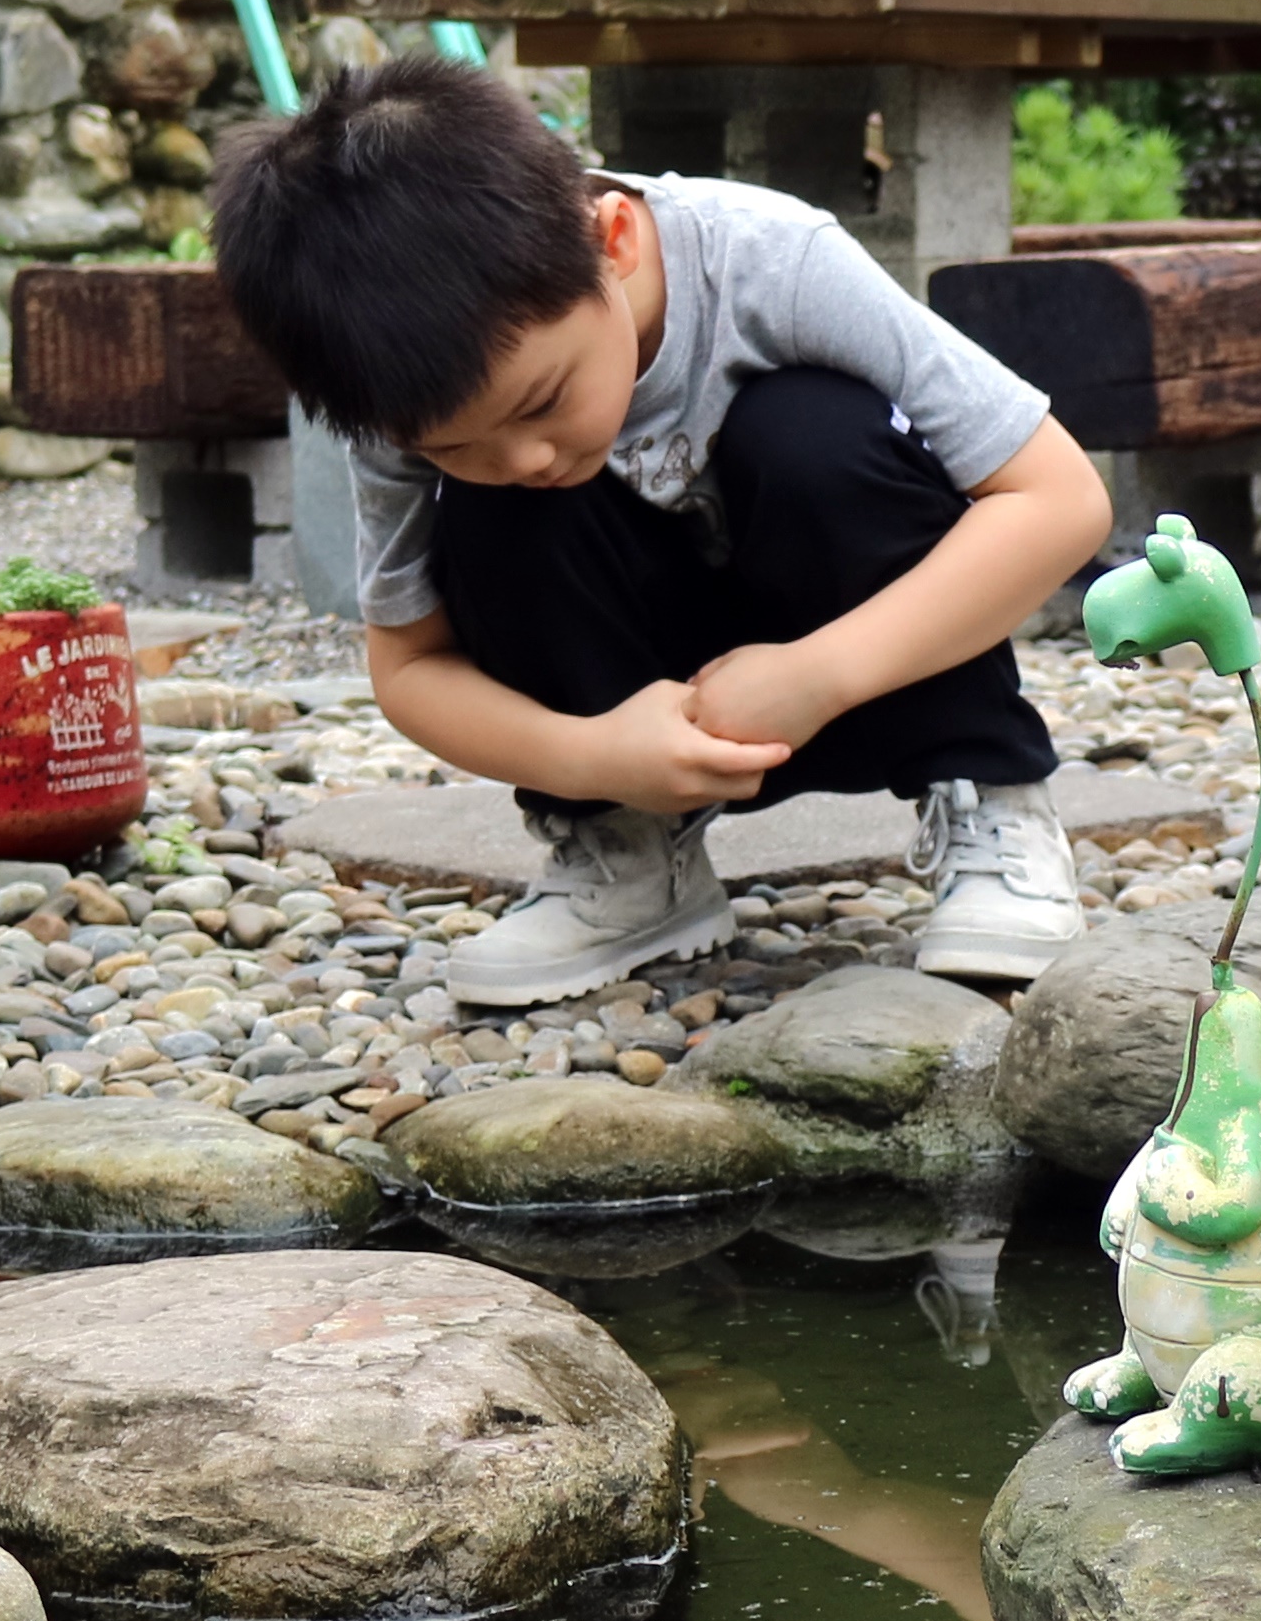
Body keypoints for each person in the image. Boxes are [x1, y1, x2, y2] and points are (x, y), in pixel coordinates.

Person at [207, 53, 1114, 1006]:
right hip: (638, 733)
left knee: (814, 432)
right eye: (456, 444)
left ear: (614, 239)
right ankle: (625, 854)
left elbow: (1059, 498)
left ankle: (987, 797)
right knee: (489, 512)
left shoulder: (771, 259)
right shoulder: (407, 394)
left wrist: (819, 673)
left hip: (863, 663)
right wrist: (593, 758)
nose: (520, 456)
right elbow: (407, 668)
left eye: (542, 399)